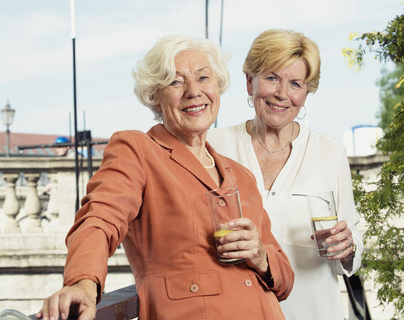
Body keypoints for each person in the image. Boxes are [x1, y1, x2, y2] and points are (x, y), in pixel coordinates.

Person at [36, 34, 294, 320]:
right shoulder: (137, 150)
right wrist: (82, 283)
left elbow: (285, 279)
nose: (194, 91)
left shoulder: (242, 176)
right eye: (175, 81)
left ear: (218, 88)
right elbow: (100, 218)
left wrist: (259, 255)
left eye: (204, 78)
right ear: (155, 97)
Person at [208, 29, 364, 320]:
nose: (282, 93)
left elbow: (352, 239)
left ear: (306, 93)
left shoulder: (330, 151)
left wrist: (348, 245)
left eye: (295, 83)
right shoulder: (214, 146)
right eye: (271, 78)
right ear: (249, 81)